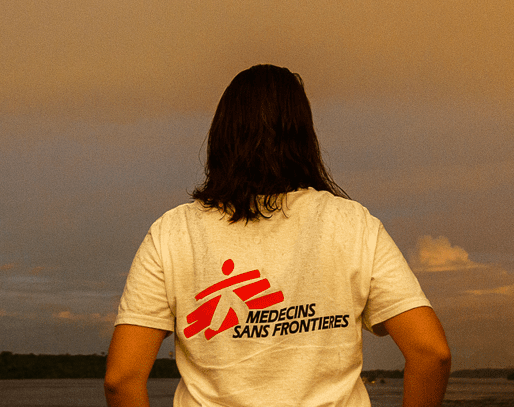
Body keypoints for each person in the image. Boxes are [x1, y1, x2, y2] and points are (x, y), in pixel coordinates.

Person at [105, 65, 450, 407]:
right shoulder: (353, 226)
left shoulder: (172, 234)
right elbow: (430, 352)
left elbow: (122, 379)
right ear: (303, 136)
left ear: (222, 134)